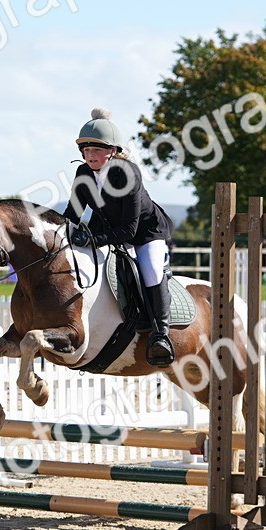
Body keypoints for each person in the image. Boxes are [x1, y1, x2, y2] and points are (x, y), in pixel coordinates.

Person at [64, 108, 175, 366]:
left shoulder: (127, 173)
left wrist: (93, 239)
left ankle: (161, 334)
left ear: (112, 151)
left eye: (96, 150)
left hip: (146, 233)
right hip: (107, 230)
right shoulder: (83, 173)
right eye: (86, 151)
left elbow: (129, 231)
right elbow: (73, 213)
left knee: (149, 270)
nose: (90, 155)